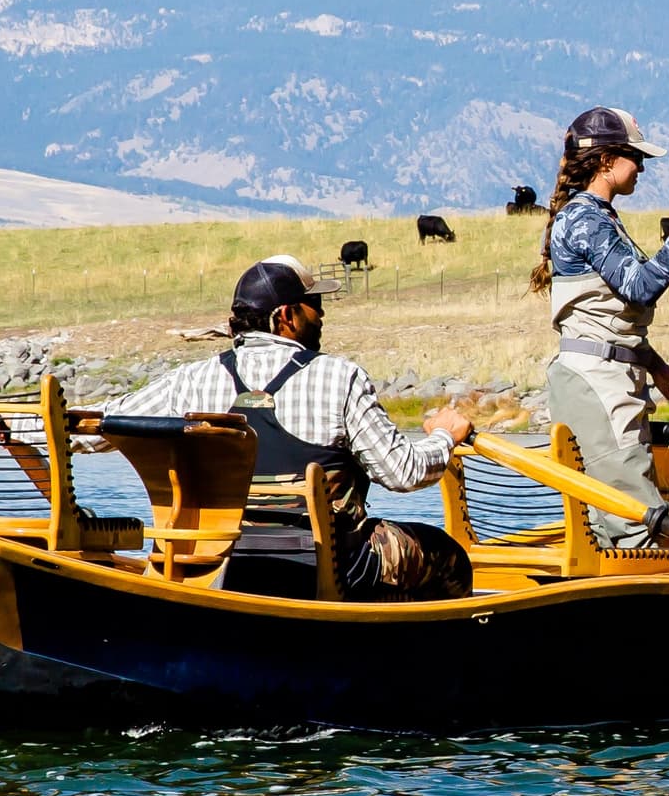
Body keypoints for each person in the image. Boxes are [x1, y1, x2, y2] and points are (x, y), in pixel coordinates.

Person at [106, 256, 475, 598]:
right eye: (314, 305)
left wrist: (48, 426)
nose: (322, 314)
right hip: (329, 563)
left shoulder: (190, 381)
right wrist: (445, 435)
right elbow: (403, 472)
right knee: (448, 556)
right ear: (286, 317)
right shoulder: (338, 378)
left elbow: (101, 423)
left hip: (223, 561)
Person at [528, 105, 669, 550]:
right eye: (635, 156)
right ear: (606, 161)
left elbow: (610, 315)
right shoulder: (585, 218)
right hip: (599, 386)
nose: (642, 166)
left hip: (608, 379)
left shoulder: (596, 216)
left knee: (611, 518)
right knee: (633, 522)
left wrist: (655, 365)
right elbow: (640, 288)